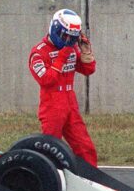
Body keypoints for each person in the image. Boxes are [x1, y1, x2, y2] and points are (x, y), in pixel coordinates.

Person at [28, 9, 98, 167]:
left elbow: (88, 70)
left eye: (72, 38)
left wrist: (86, 53)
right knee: (51, 148)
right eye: (64, 36)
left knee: (85, 146)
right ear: (54, 29)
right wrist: (62, 57)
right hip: (52, 104)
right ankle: (49, 177)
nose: (67, 40)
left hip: (70, 102)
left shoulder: (72, 47)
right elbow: (46, 80)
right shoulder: (39, 53)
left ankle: (93, 180)